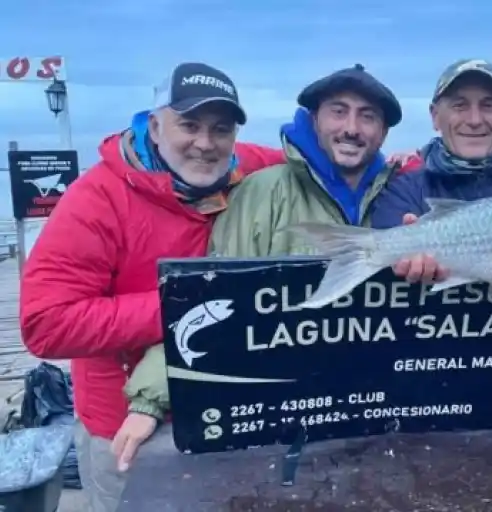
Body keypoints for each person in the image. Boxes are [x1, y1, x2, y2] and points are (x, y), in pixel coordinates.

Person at [18, 62, 285, 512]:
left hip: (231, 413)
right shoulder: (95, 198)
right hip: (126, 429)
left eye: (221, 129)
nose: (205, 143)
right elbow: (45, 325)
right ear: (155, 126)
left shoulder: (245, 168)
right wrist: (189, 304)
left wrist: (400, 165)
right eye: (189, 125)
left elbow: (315, 161)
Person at [114, 63, 406, 471]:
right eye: (338, 111)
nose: (352, 128)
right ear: (314, 119)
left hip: (381, 418)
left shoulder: (407, 192)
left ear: (384, 132)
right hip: (281, 417)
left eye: (368, 116)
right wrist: (149, 401)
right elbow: (210, 302)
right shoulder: (260, 194)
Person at [368, 59, 492, 282]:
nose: (475, 120)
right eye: (460, 105)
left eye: (487, 106)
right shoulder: (403, 190)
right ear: (435, 116)